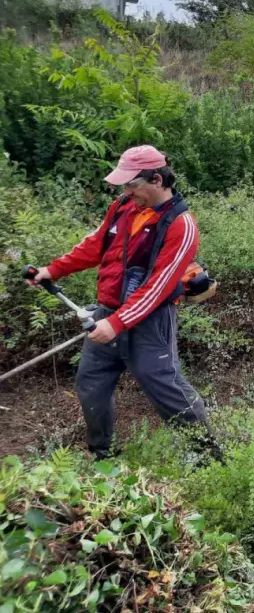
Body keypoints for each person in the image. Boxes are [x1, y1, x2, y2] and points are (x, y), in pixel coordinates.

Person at [26, 145, 216, 461]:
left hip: (151, 322)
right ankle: (103, 454)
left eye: (132, 184)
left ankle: (209, 459)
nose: (126, 191)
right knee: (91, 384)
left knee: (166, 388)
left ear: (156, 179)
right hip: (108, 313)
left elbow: (157, 289)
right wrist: (53, 269)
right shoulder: (123, 207)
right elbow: (95, 245)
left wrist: (115, 324)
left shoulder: (181, 226)